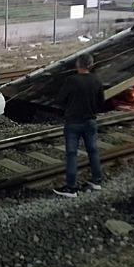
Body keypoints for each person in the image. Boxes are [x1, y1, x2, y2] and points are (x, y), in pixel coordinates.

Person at [53, 53, 105, 197]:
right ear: (91, 65)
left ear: (77, 65)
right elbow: (101, 103)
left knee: (72, 154)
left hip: (73, 123)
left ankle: (71, 188)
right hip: (90, 121)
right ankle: (97, 181)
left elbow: (60, 100)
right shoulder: (97, 80)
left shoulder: (72, 80)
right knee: (93, 151)